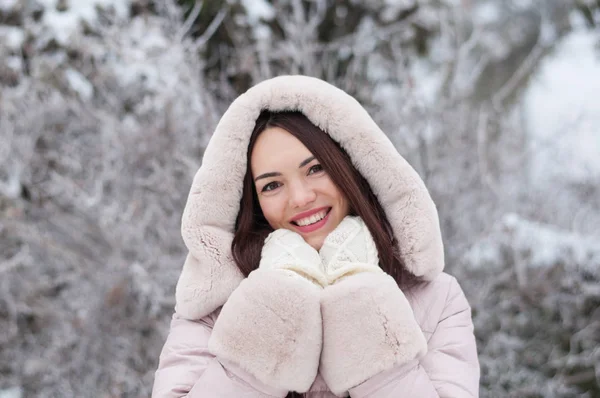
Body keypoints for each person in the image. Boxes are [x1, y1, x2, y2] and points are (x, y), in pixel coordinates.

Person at [152, 76, 480, 397]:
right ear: (253, 203)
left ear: (351, 169)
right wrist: (274, 305)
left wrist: (361, 299)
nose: (300, 197)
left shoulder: (437, 301)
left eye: (315, 168)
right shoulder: (212, 310)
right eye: (271, 185)